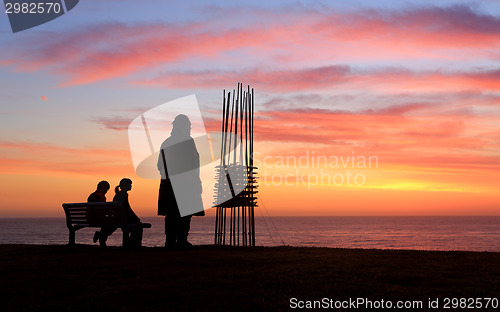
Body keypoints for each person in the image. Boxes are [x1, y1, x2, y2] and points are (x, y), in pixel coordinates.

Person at [157, 114, 204, 249]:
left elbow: (160, 165)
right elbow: (193, 164)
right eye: (188, 125)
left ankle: (171, 241)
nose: (189, 128)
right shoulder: (187, 141)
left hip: (169, 184)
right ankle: (181, 240)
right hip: (184, 184)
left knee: (172, 214)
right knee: (183, 213)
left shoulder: (166, 142)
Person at [113, 178, 144, 248]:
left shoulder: (118, 194)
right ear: (125, 185)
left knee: (137, 223)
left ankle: (131, 243)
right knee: (138, 225)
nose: (131, 186)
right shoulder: (123, 194)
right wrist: (135, 217)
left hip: (119, 218)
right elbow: (126, 209)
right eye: (129, 184)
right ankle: (134, 244)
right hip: (124, 219)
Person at [87, 180, 116, 247]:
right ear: (104, 188)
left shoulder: (91, 195)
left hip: (90, 219)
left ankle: (101, 238)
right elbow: (103, 210)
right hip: (97, 219)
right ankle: (101, 236)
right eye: (106, 190)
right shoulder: (101, 196)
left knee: (106, 223)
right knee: (115, 223)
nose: (106, 192)